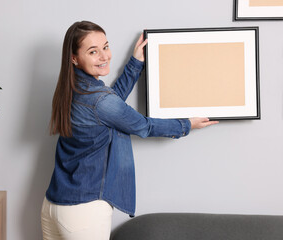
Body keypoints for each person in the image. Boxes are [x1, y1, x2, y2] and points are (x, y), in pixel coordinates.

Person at [41, 20, 218, 240]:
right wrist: (186, 124)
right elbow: (143, 126)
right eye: (93, 51)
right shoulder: (99, 100)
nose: (104, 56)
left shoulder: (71, 90)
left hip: (53, 205)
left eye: (105, 47)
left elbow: (112, 108)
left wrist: (135, 63)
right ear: (74, 58)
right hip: (83, 213)